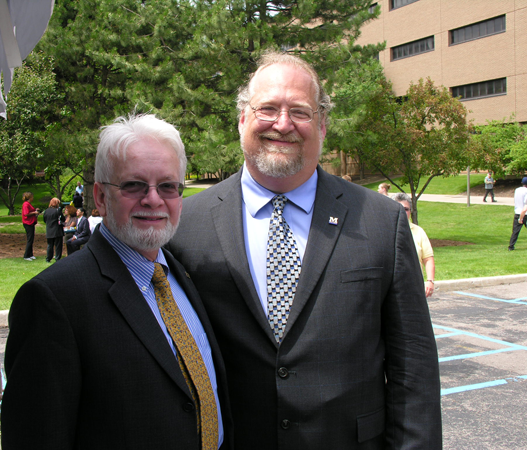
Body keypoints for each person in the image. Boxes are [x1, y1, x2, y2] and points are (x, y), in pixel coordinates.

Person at [168, 51, 441, 449]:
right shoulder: (184, 225)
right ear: (242, 118)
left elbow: (413, 365)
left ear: (323, 124)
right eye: (268, 109)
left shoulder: (382, 222)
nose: (283, 124)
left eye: (300, 111)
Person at [2, 114, 232, 449]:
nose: (153, 199)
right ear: (99, 197)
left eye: (167, 186)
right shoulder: (54, 301)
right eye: (133, 185)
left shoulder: (180, 275)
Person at [392, 193, 436, 297]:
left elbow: (428, 259)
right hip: (391, 288)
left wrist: (430, 281)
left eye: (406, 209)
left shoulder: (419, 231)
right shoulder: (383, 231)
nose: (403, 212)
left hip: (414, 287)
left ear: (410, 211)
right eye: (399, 208)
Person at [508, 177, 527, 251]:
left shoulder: (517, 190)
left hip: (517, 212)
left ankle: (511, 246)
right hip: (525, 213)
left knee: (515, 231)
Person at [42, 197, 65, 262]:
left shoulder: (46, 211)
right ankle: (57, 258)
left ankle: (48, 258)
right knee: (58, 245)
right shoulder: (58, 210)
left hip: (49, 230)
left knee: (50, 245)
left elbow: (44, 219)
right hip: (57, 230)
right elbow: (62, 219)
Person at [21, 192, 40, 261]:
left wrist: (35, 210)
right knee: (30, 239)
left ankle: (30, 254)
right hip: (28, 223)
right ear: (29, 197)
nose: (33, 198)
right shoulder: (26, 204)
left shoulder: (28, 204)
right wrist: (34, 212)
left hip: (31, 223)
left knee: (31, 239)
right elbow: (26, 214)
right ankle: (26, 255)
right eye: (32, 197)